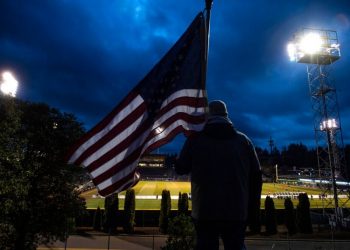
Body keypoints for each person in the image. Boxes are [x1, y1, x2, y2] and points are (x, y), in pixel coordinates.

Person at [175, 100, 262, 250]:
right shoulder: (244, 141)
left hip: (204, 212)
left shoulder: (195, 139)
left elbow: (181, 168)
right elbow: (256, 178)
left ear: (208, 116)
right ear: (226, 115)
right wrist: (253, 213)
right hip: (237, 213)